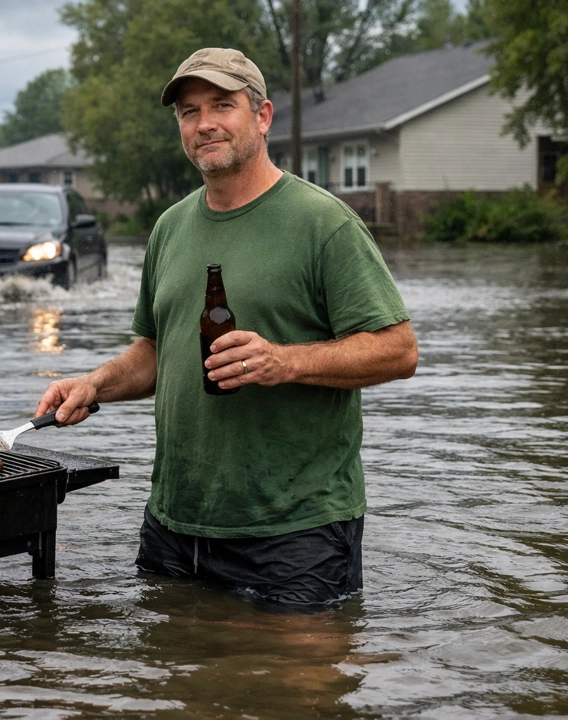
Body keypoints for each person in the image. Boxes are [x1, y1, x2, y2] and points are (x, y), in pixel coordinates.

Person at [36, 48, 418, 607]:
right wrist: (96, 385)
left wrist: (284, 361)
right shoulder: (169, 228)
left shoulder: (324, 224)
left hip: (295, 529)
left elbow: (399, 351)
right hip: (175, 521)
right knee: (182, 683)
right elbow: (157, 352)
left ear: (261, 117)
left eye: (222, 105)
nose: (204, 123)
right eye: (189, 112)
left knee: (294, 693)